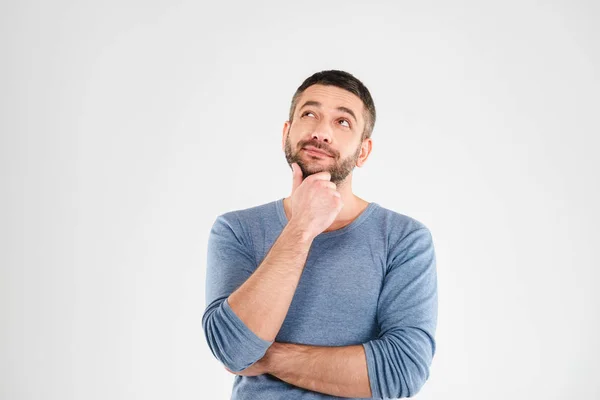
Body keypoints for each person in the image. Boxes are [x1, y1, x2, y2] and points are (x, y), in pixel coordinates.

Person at [202, 70, 438, 399]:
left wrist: (266, 356)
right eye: (309, 114)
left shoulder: (404, 239)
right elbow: (232, 348)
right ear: (287, 132)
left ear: (363, 151)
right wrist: (302, 227)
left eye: (343, 122)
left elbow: (401, 371)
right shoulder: (237, 230)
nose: (321, 132)